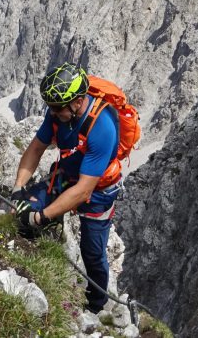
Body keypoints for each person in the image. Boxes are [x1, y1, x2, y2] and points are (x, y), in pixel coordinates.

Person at [11, 62, 123, 313]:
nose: (51, 112)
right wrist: (19, 188)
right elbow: (36, 148)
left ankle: (96, 304)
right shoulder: (56, 115)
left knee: (92, 252)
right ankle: (28, 261)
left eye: (56, 107)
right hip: (67, 177)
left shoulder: (101, 126)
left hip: (98, 193)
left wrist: (42, 216)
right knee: (23, 208)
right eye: (50, 106)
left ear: (77, 102)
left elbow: (84, 191)